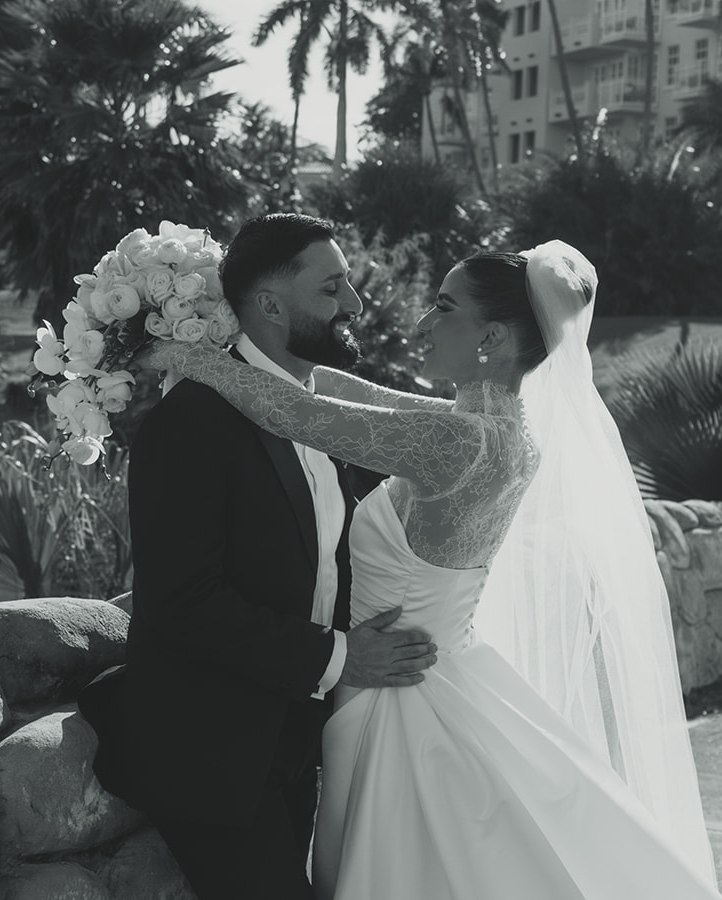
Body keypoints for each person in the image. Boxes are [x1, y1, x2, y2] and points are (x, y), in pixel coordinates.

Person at [162, 240, 722, 899]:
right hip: (444, 670)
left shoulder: (457, 441)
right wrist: (233, 338)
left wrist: (183, 353)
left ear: (490, 335)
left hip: (400, 699)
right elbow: (353, 392)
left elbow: (302, 415)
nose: (423, 323)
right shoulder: (500, 432)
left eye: (443, 306)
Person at [77, 213, 439, 900]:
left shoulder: (320, 414)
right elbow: (181, 600)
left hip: (301, 737)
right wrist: (340, 657)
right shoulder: (193, 421)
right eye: (332, 288)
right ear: (270, 305)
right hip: (209, 752)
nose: (355, 305)